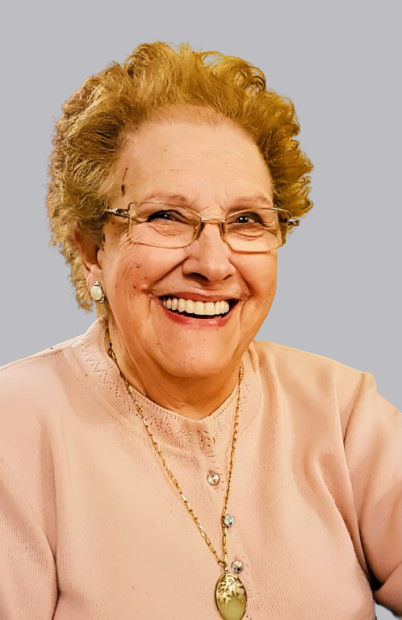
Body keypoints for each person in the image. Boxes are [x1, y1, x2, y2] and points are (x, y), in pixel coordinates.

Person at [0, 42, 400, 620]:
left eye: (246, 220)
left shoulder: (342, 412)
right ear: (91, 250)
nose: (213, 264)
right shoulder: (14, 431)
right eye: (165, 216)